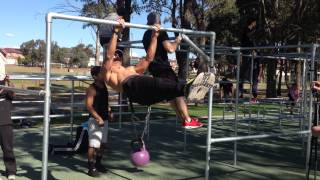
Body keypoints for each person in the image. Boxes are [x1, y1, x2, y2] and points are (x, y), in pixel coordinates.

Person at [99, 17, 214, 129]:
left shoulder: (130, 69)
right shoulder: (107, 73)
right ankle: (186, 88)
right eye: (115, 55)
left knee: (167, 90)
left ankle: (184, 112)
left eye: (118, 55)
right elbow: (109, 56)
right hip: (132, 88)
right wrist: (115, 32)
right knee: (153, 82)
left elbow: (149, 58)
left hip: (146, 96)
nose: (116, 56)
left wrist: (155, 36)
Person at [142, 12, 202, 128]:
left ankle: (182, 118)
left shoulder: (145, 34)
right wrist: (177, 41)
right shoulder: (161, 32)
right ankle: (188, 120)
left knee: (170, 94)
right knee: (178, 92)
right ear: (159, 22)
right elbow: (170, 49)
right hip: (163, 67)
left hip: (154, 69)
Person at [86, 66, 113, 177]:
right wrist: (98, 118)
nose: (104, 75)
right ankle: (91, 166)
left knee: (103, 144)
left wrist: (110, 111)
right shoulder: (92, 88)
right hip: (95, 120)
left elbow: (105, 103)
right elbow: (88, 106)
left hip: (104, 119)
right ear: (95, 76)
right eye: (102, 73)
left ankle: (98, 163)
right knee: (93, 145)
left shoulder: (104, 86)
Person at [239, 18, 262, 103]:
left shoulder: (256, 55)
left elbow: (260, 65)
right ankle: (240, 94)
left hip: (250, 57)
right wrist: (256, 31)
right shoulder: (247, 29)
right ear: (252, 23)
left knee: (254, 82)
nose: (255, 25)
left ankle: (254, 97)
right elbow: (249, 35)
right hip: (246, 49)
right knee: (243, 77)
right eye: (254, 23)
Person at [0, 75, 16, 180]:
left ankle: (11, 171)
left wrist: (8, 80)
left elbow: (13, 91)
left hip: (5, 124)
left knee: (8, 149)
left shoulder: (7, 93)